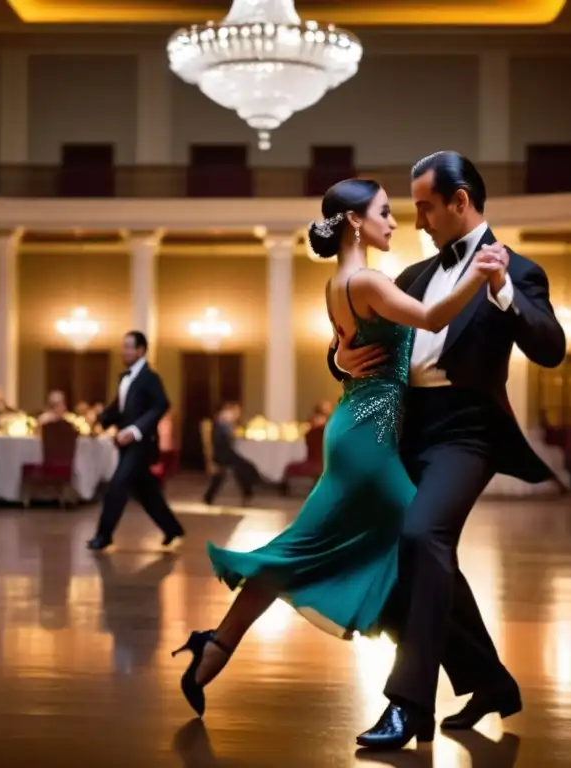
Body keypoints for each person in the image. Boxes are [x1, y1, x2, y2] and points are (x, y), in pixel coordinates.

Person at [171, 177, 507, 724]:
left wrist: (338, 360)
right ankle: (416, 698)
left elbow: (350, 348)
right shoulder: (368, 280)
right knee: (418, 553)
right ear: (354, 221)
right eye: (383, 211)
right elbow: (429, 318)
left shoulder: (340, 283)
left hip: (360, 430)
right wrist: (483, 272)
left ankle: (216, 646)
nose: (395, 221)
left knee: (318, 548)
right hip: (368, 440)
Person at [332, 152, 566, 749]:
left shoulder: (520, 270)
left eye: (426, 207)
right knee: (406, 550)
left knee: (422, 537)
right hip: (407, 428)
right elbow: (351, 335)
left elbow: (551, 347)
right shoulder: (412, 277)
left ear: (460, 202)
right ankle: (490, 682)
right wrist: (338, 357)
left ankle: (408, 706)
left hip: (468, 430)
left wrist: (503, 290)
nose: (416, 222)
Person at [87, 331, 185, 551]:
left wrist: (135, 430)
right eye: (123, 347)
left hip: (141, 444)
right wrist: (100, 419)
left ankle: (104, 536)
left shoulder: (150, 377)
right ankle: (172, 529)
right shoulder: (125, 377)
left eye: (129, 347)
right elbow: (120, 407)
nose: (124, 351)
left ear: (141, 350)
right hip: (126, 444)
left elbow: (161, 405)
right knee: (147, 491)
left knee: (117, 486)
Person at [202, 402, 263, 505]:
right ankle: (248, 492)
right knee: (241, 466)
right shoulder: (221, 422)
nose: (236, 415)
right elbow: (222, 440)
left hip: (226, 453)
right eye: (235, 412)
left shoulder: (227, 423)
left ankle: (209, 497)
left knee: (237, 469)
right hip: (222, 454)